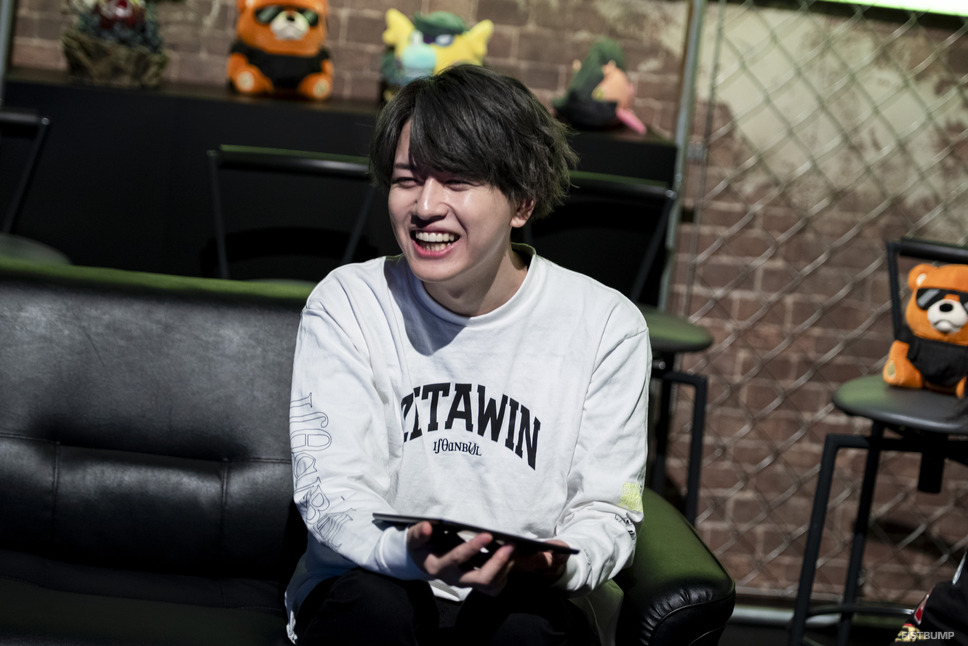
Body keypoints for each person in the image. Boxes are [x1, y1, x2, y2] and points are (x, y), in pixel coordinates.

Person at [284, 64, 650, 646]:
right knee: (377, 607)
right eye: (407, 180)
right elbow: (330, 487)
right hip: (372, 584)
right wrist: (403, 552)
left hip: (524, 601)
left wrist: (557, 562)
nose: (426, 205)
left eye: (456, 181)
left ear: (522, 200)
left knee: (524, 630)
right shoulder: (349, 303)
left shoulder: (607, 327)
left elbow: (611, 507)